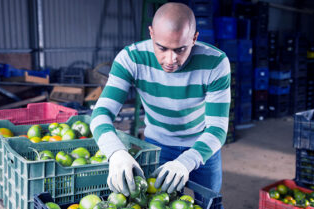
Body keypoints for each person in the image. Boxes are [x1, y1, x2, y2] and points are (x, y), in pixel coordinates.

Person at [90, 2, 230, 198]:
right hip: (159, 147)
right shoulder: (130, 59)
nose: (170, 59)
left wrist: (186, 162)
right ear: (151, 34)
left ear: (194, 38)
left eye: (180, 49)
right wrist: (115, 152)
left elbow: (217, 129)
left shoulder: (216, 63)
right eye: (162, 48)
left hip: (203, 147)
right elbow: (100, 114)